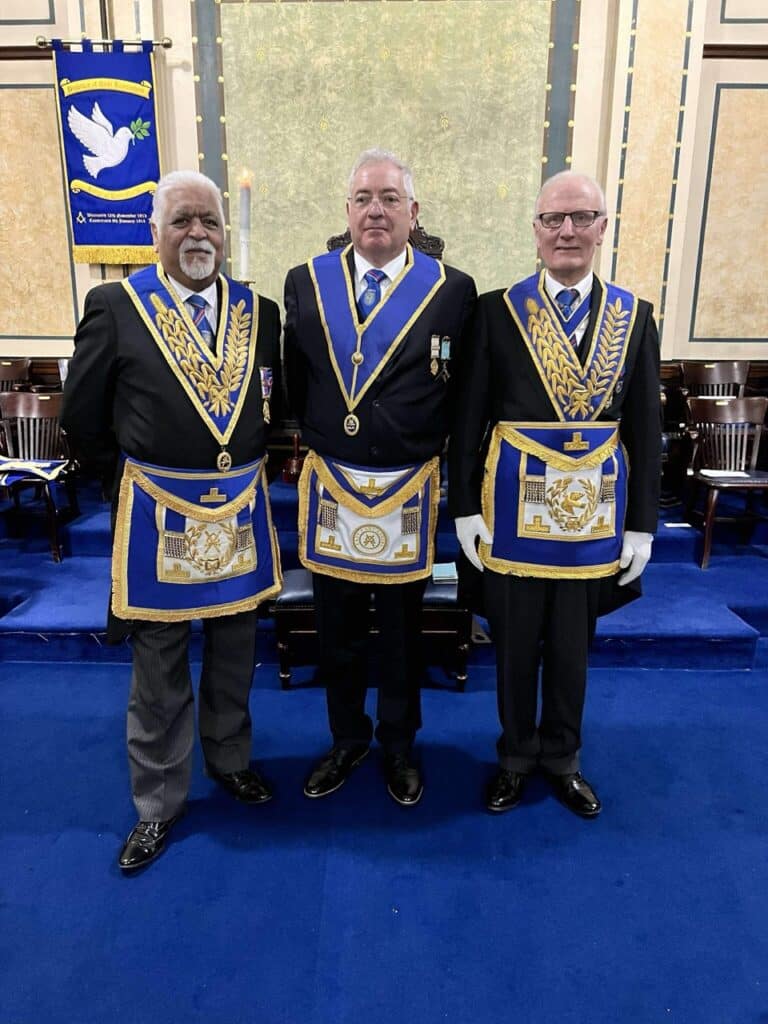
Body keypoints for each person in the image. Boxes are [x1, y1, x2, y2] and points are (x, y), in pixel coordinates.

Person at [62, 170, 283, 870]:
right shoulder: (117, 305)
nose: (197, 233)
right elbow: (82, 415)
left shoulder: (260, 312)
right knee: (158, 663)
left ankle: (230, 759)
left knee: (235, 647)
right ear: (154, 232)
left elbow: (273, 404)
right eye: (182, 220)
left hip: (237, 510)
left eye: (209, 221)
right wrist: (130, 483)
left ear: (225, 233)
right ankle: (158, 802)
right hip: (158, 514)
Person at [448, 171, 661, 817]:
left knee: (572, 649)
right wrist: (465, 508)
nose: (566, 230)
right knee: (513, 646)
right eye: (552, 219)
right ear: (535, 230)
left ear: (602, 227)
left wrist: (642, 524)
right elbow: (468, 417)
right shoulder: (496, 311)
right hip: (511, 515)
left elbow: (644, 427)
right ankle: (515, 757)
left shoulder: (634, 317)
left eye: (581, 217)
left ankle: (563, 758)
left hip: (593, 518)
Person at [284, 148, 476, 806]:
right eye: (363, 198)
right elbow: (295, 379)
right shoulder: (305, 282)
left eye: (390, 198)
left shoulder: (452, 289)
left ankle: (398, 744)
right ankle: (346, 739)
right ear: (346, 210)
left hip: (406, 490)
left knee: (401, 634)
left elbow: (459, 393)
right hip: (334, 486)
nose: (376, 210)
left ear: (413, 212)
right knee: (335, 630)